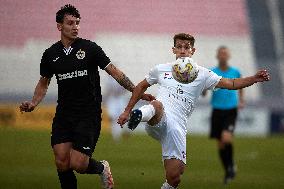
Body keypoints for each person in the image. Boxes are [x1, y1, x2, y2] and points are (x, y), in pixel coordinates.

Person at [19, 4, 154, 189]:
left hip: (88, 114)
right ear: (59, 26)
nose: (75, 26)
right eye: (70, 23)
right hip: (64, 114)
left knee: (78, 163)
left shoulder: (90, 48)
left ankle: (101, 168)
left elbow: (114, 72)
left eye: (77, 23)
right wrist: (34, 103)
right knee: (61, 161)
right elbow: (44, 82)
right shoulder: (50, 54)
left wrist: (136, 91)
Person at [117, 33, 270, 189]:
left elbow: (230, 83)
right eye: (179, 47)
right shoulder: (161, 69)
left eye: (186, 47)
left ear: (193, 50)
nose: (183, 50)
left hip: (177, 128)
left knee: (174, 177)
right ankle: (139, 115)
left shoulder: (203, 74)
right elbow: (141, 86)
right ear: (173, 49)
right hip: (158, 118)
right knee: (157, 104)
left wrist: (254, 78)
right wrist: (127, 111)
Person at [203, 46, 244, 184]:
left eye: (225, 53)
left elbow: (241, 85)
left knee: (226, 138)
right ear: (217, 56)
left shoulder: (235, 71)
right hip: (217, 110)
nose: (223, 56)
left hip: (231, 110)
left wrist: (241, 100)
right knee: (220, 144)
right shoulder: (212, 72)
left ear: (228, 56)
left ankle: (231, 165)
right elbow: (204, 88)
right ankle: (228, 170)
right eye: (221, 53)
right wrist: (202, 90)